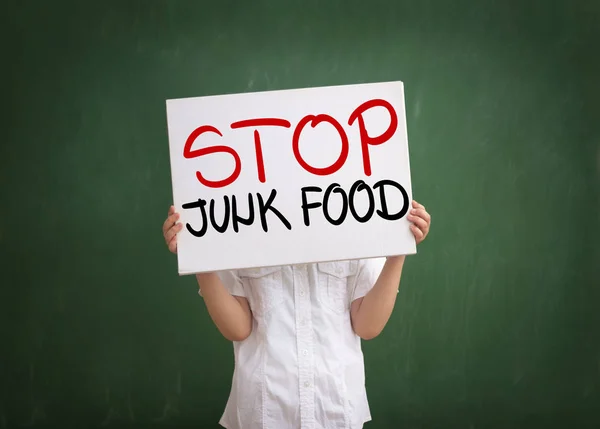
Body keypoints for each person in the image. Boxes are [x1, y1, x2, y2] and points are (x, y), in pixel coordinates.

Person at [162, 200, 431, 429]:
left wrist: (398, 253)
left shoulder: (357, 210)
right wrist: (199, 260)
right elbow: (238, 328)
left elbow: (367, 325)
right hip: (264, 411)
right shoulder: (239, 214)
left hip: (336, 409)